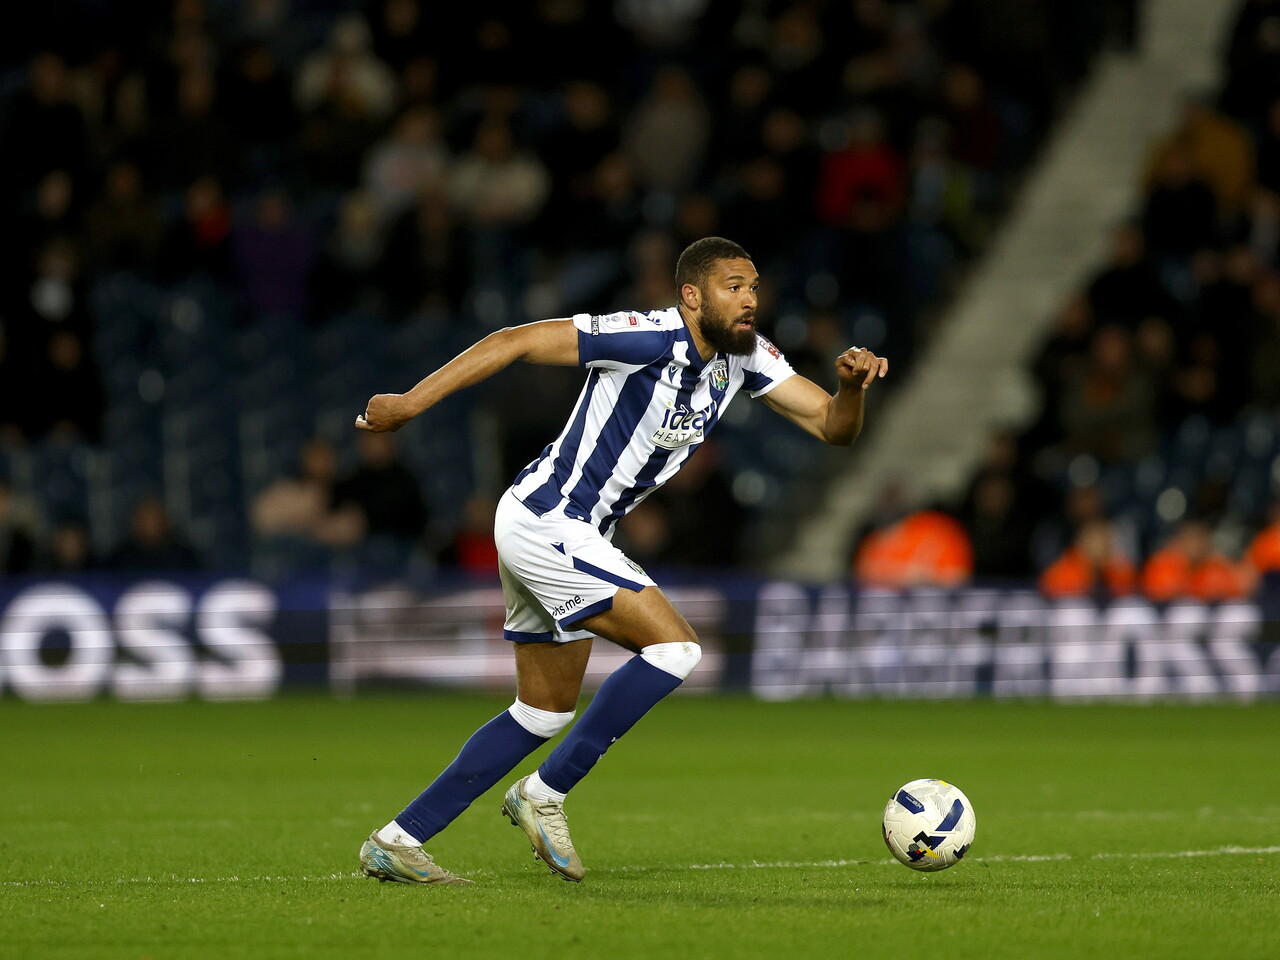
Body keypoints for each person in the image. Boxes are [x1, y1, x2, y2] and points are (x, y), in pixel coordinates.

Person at [352, 237, 887, 885]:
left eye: (753, 287)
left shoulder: (746, 359)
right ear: (691, 297)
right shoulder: (646, 337)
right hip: (549, 521)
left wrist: (851, 388)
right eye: (732, 286)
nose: (749, 299)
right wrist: (410, 403)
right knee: (676, 650)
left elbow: (835, 426)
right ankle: (544, 794)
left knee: (543, 712)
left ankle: (397, 840)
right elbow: (515, 340)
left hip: (566, 531)